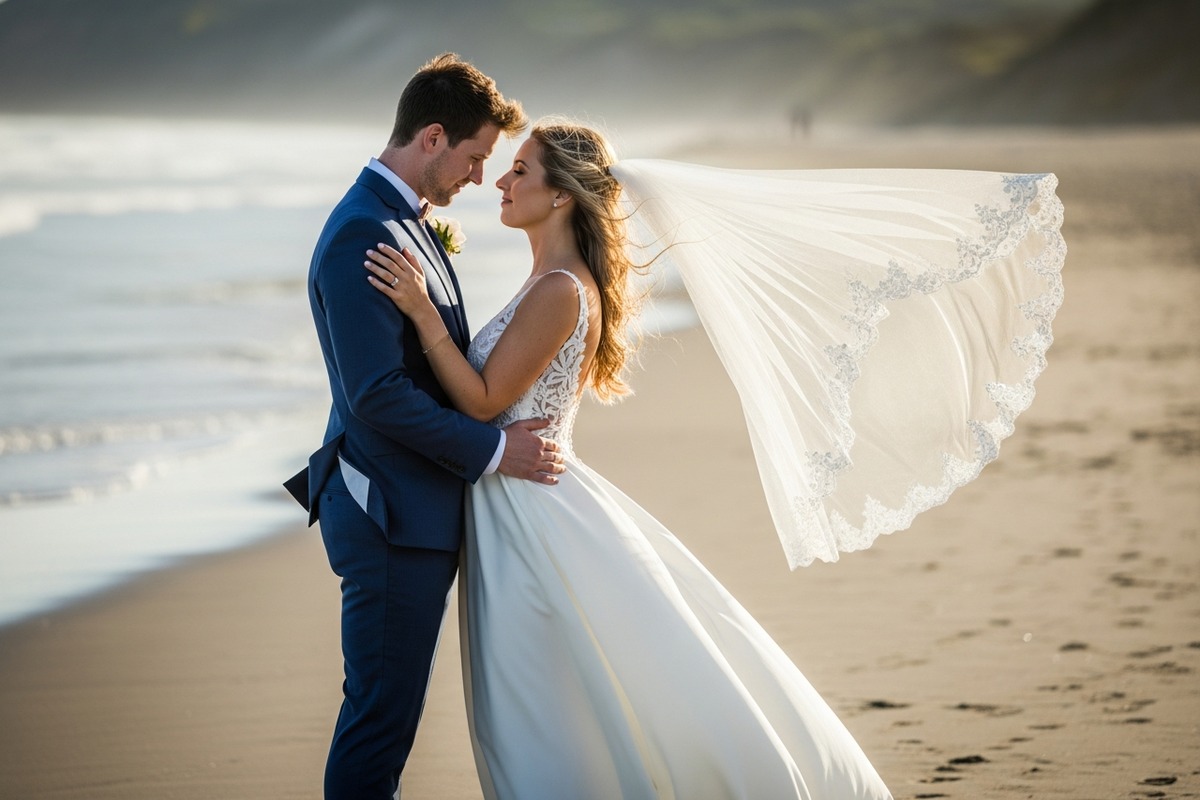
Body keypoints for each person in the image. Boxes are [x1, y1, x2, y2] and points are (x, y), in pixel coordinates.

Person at [366, 120, 1064, 798]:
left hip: (531, 513)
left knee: (545, 710)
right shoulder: (551, 281)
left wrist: (424, 313)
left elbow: (485, 403)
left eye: (520, 169)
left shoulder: (558, 291)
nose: (501, 181)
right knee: (559, 700)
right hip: (518, 500)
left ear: (560, 196)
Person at [283, 54, 565, 800]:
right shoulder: (362, 233)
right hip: (386, 513)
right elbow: (375, 395)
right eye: (476, 158)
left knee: (391, 719)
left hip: (413, 508)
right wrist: (497, 450)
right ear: (433, 138)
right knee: (380, 720)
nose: (480, 179)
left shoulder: (408, 223)